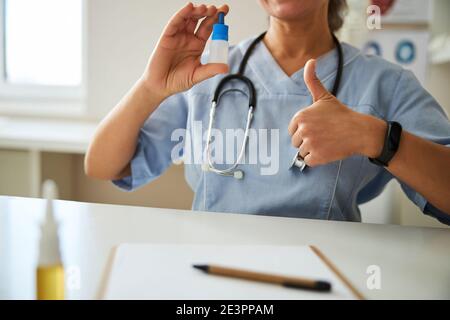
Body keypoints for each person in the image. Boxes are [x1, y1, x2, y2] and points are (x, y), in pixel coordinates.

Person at [85, 1, 450, 224]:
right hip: (212, 272)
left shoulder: (384, 84)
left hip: (323, 275)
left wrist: (375, 137)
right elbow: (103, 166)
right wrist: (152, 86)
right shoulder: (208, 73)